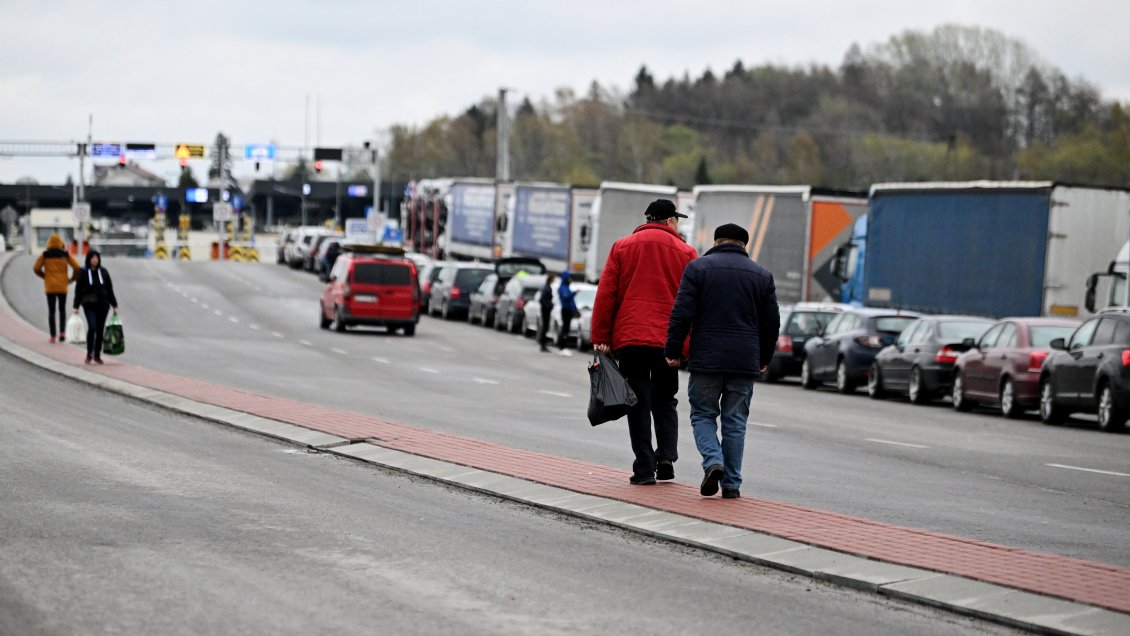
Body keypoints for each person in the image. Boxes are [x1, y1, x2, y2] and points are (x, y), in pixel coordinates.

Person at [664, 223, 780, 499]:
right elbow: (771, 324)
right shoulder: (762, 275)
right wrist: (764, 358)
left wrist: (673, 350)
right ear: (744, 245)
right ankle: (731, 484)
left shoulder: (698, 269)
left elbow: (682, 312)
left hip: (707, 358)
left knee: (703, 414)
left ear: (716, 242)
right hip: (744, 359)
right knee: (735, 421)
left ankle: (713, 461)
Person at [591, 199, 698, 485]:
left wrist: (601, 337)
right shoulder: (687, 253)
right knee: (665, 399)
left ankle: (644, 468)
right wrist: (686, 346)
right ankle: (666, 458)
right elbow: (692, 303)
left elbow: (606, 294)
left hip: (630, 339)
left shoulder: (622, 247)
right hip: (667, 342)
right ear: (670, 221)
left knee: (637, 402)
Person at [72, 249, 119, 364]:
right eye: (93, 258)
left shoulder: (103, 272)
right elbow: (78, 290)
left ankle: (97, 354)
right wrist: (76, 306)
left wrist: (114, 305)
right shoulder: (83, 272)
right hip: (89, 305)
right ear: (88, 259)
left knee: (99, 330)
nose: (95, 260)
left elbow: (109, 289)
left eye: (97, 258)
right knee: (92, 327)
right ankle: (89, 353)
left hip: (103, 305)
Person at [32, 233, 81, 343]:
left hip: (50, 287)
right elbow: (77, 267)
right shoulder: (65, 254)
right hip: (62, 286)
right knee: (62, 310)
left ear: (49, 243)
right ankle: (62, 333)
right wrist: (72, 279)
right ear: (60, 243)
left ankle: (53, 335)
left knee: (51, 311)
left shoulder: (45, 254)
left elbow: (36, 268)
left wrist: (44, 276)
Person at [555, 271, 577, 356]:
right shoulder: (562, 288)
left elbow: (572, 302)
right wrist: (574, 293)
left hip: (569, 311)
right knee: (565, 329)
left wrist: (575, 310)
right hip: (565, 310)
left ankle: (563, 346)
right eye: (569, 277)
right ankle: (562, 347)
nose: (571, 279)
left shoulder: (567, 287)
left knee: (566, 329)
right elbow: (567, 298)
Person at [538, 273, 555, 352]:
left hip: (546, 309)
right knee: (545, 326)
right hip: (545, 310)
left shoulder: (547, 287)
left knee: (545, 326)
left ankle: (543, 343)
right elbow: (542, 299)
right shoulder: (546, 288)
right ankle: (543, 344)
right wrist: (549, 305)